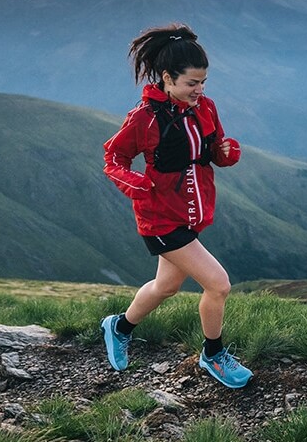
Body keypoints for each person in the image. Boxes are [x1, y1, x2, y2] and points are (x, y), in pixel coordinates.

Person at [100, 23, 252, 389]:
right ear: (167, 78)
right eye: (191, 83)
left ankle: (118, 326)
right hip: (160, 218)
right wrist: (137, 185)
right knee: (218, 285)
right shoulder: (144, 118)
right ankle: (213, 355)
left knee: (165, 287)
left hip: (191, 212)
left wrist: (225, 152)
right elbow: (114, 158)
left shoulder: (205, 108)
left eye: (203, 82)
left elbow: (212, 152)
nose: (199, 90)